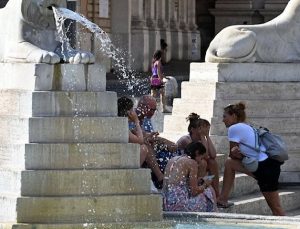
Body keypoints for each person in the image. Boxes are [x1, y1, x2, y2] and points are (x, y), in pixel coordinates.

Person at [218, 102, 285, 216]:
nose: (223, 120)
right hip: (268, 165)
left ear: (234, 115)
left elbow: (232, 154)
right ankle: (222, 199)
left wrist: (238, 154)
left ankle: (223, 199)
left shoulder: (234, 128)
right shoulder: (247, 126)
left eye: (225, 116)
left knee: (277, 210)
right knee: (230, 163)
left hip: (264, 168)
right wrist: (240, 155)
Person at [130, 95, 178, 188]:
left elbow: (151, 136)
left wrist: (168, 143)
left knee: (172, 148)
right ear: (142, 107)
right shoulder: (132, 116)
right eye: (151, 109)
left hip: (148, 147)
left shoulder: (146, 118)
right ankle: (160, 177)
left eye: (154, 110)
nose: (153, 113)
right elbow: (138, 135)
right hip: (135, 148)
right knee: (146, 145)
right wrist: (151, 138)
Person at [117, 96, 164, 183]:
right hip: (122, 159)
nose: (134, 112)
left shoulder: (121, 123)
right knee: (144, 148)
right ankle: (133, 177)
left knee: (147, 144)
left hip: (123, 154)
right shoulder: (122, 126)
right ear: (128, 112)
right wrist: (136, 121)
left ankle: (159, 176)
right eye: (132, 110)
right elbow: (140, 140)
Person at [163, 142, 217, 212]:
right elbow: (194, 192)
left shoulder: (173, 159)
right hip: (179, 206)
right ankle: (214, 213)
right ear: (197, 153)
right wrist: (205, 184)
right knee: (209, 190)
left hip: (166, 204)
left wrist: (198, 181)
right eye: (201, 158)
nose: (200, 162)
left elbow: (178, 184)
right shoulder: (192, 163)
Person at [176, 113, 220, 197]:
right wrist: (203, 136)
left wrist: (207, 136)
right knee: (203, 162)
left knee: (212, 162)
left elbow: (213, 155)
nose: (203, 130)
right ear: (192, 129)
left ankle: (217, 194)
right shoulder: (186, 139)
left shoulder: (200, 141)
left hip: (193, 164)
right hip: (183, 167)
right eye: (200, 128)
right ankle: (198, 188)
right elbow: (205, 155)